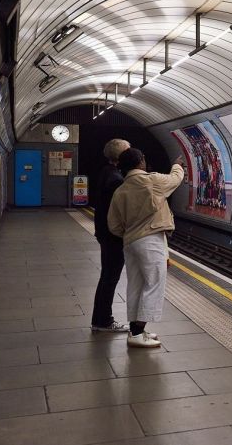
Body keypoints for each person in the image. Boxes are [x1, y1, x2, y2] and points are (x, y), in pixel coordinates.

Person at [108, 148, 184, 348]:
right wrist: (178, 165)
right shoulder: (151, 181)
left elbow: (114, 225)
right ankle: (137, 331)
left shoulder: (120, 190)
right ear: (141, 162)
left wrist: (130, 232)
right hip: (150, 240)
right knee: (154, 284)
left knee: (135, 285)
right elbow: (175, 179)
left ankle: (136, 331)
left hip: (130, 242)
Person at [91, 138, 131, 333]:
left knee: (106, 276)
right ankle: (104, 321)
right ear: (122, 156)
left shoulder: (107, 172)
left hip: (104, 233)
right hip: (112, 236)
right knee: (110, 278)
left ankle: (100, 319)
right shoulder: (116, 179)